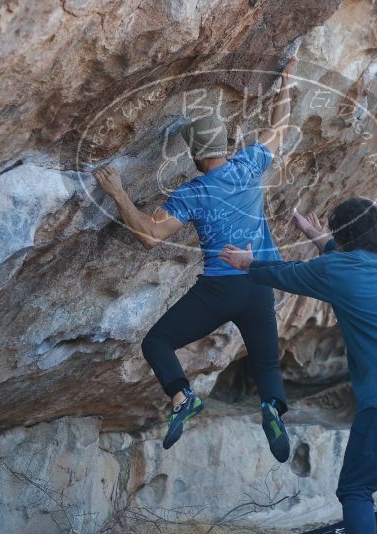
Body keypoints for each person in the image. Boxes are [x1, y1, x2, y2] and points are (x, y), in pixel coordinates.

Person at [92, 56, 299, 462]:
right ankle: (271, 407)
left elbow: (150, 236)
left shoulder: (193, 192)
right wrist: (287, 82)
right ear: (224, 147)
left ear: (196, 156)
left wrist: (118, 193)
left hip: (221, 287)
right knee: (266, 365)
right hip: (260, 284)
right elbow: (279, 130)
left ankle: (183, 396)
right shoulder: (248, 165)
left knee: (157, 342)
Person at [220, 198, 377, 534]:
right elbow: (343, 259)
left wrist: (247, 263)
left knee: (355, 490)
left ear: (345, 234)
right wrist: (315, 234)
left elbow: (287, 273)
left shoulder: (338, 268)